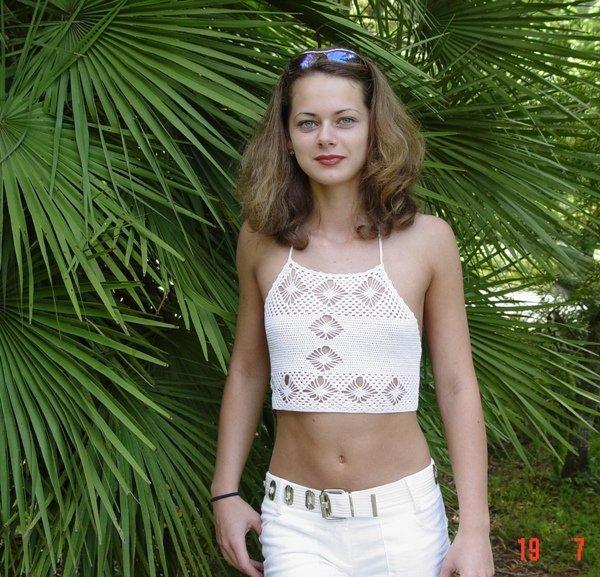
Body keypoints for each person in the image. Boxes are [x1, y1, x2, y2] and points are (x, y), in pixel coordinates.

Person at [210, 45, 495, 577]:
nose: (326, 138)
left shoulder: (429, 241)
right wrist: (224, 491)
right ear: (286, 137)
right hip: (294, 522)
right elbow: (247, 369)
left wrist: (475, 528)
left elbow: (457, 385)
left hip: (404, 522)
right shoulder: (260, 240)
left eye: (345, 120)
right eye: (307, 122)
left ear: (372, 129)